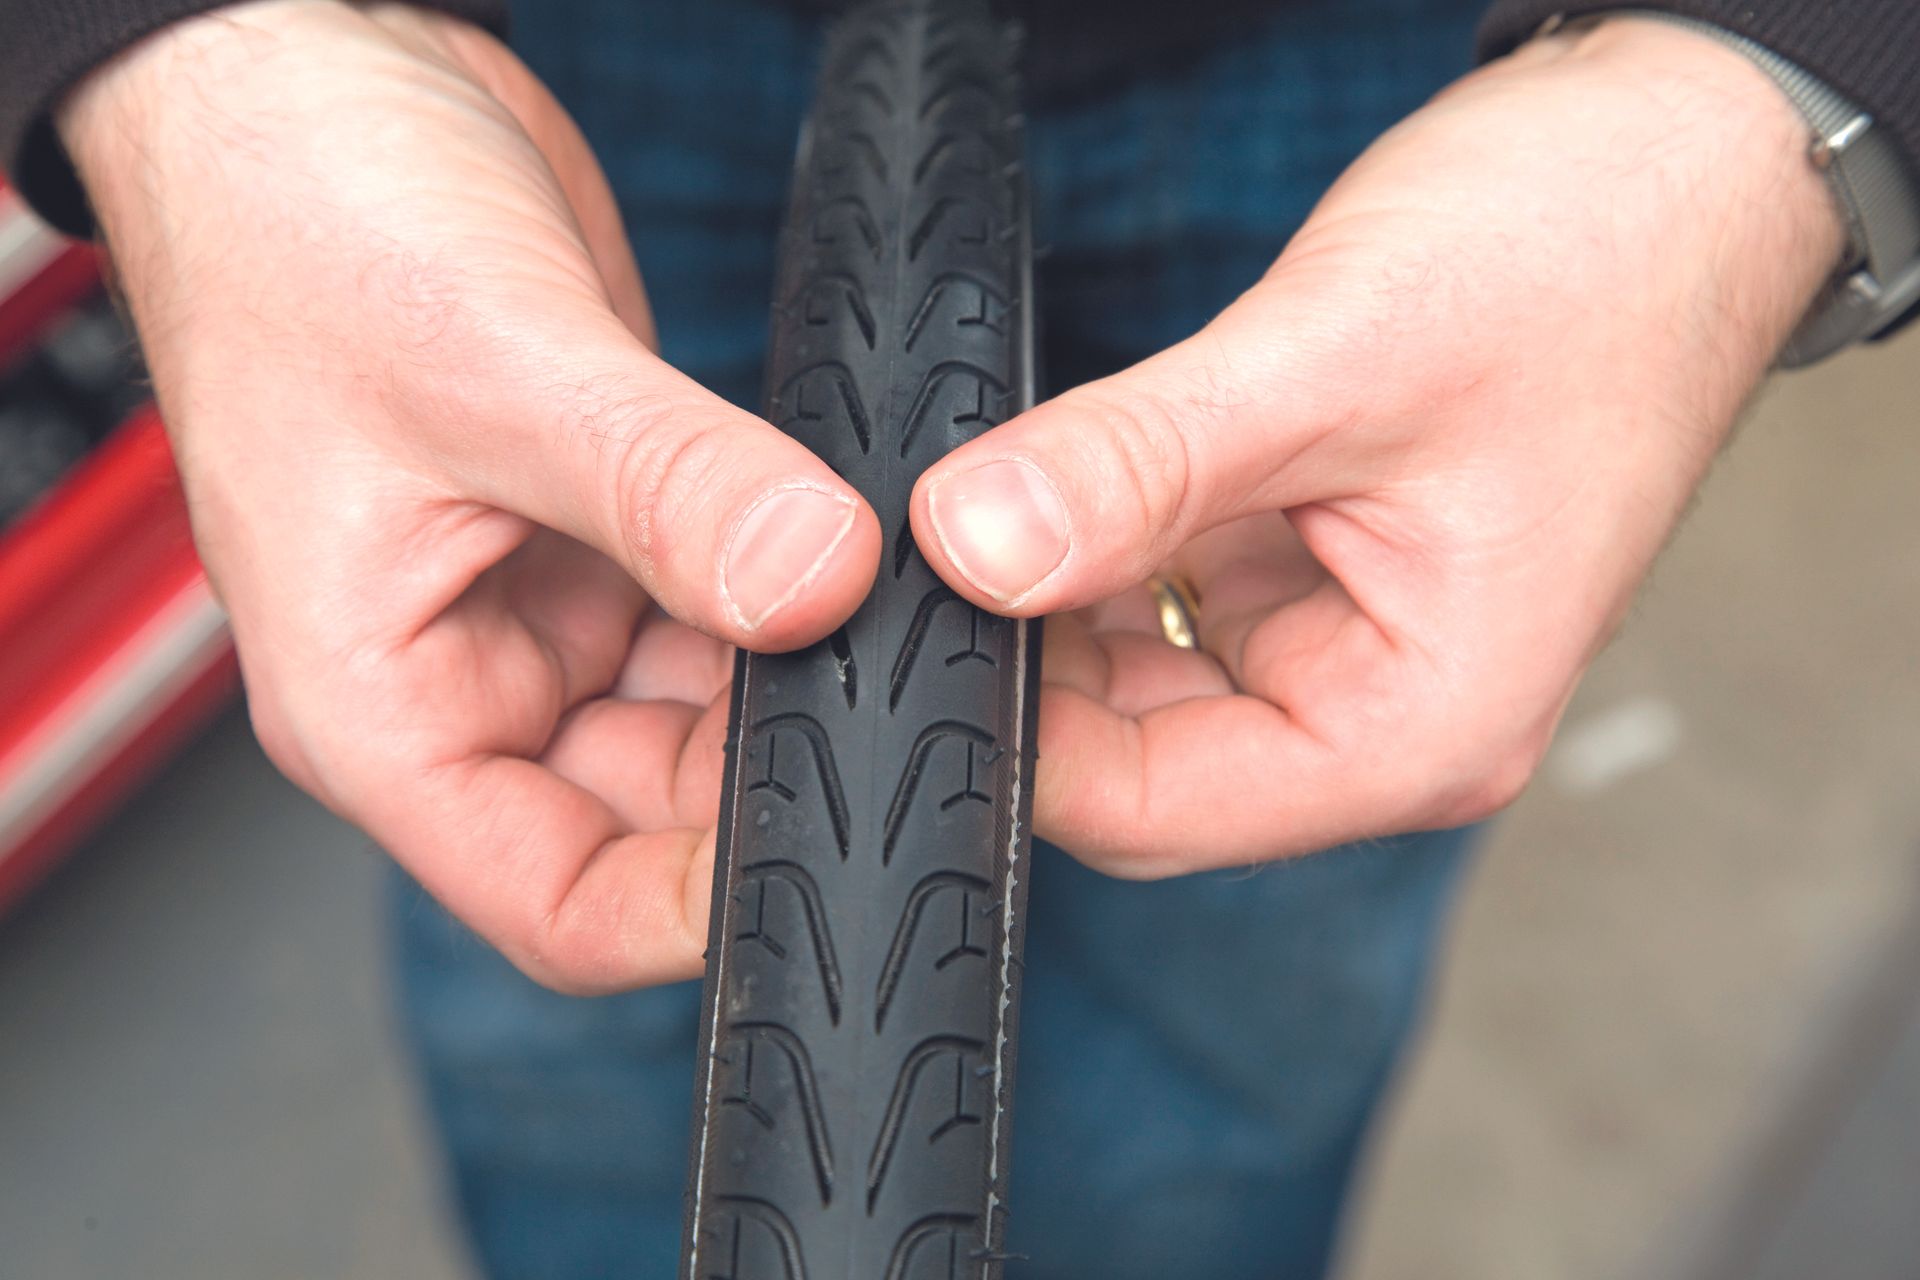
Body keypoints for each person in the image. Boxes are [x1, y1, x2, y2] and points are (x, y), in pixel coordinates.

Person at [3, 0, 1914, 1274]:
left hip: (1401, 67)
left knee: (1234, 1009)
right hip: (524, 68)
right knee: (568, 941)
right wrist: (180, 54)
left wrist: (1773, 85)